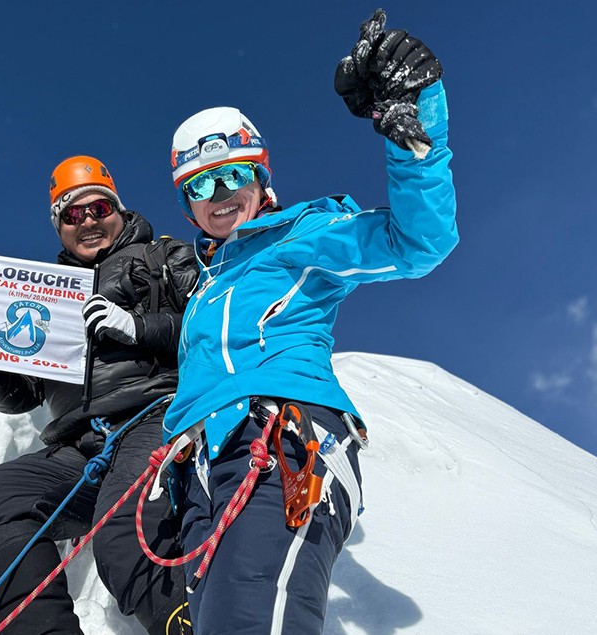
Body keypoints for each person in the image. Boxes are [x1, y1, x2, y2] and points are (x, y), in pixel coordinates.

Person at [153, 10, 457, 634]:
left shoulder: (302, 235)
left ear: (263, 178)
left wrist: (415, 124)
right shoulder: (206, 287)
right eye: (199, 187)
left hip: (284, 442)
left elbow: (418, 242)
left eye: (233, 174)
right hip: (204, 473)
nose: (219, 195)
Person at [0, 156, 199, 634]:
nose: (87, 222)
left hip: (154, 416)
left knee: (124, 535)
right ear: (58, 226)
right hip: (79, 445)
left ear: (118, 210)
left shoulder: (162, 257)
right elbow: (19, 399)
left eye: (98, 207)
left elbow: (216, 322)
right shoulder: (45, 294)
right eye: (71, 215)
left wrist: (140, 328)